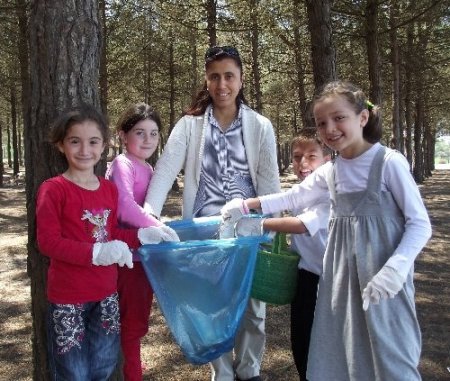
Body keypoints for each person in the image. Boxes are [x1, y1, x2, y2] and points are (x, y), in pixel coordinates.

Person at [221, 81, 432, 381]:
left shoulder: (389, 163)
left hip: (383, 278)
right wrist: (245, 206)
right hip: (341, 278)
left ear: (362, 118)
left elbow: (420, 223)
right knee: (340, 349)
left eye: (339, 118)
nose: (330, 128)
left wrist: (396, 269)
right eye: (322, 123)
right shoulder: (331, 171)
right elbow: (293, 197)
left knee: (390, 351)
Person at [143, 45, 281, 381]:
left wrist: (268, 228)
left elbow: (269, 181)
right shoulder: (189, 125)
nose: (222, 84)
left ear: (241, 79)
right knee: (212, 307)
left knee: (252, 311)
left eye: (229, 76)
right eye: (215, 77)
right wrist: (148, 217)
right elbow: (164, 171)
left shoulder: (259, 126)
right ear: (206, 81)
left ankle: (249, 372)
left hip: (247, 235)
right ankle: (222, 374)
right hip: (205, 236)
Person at [36, 104, 173, 380]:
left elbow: (112, 235)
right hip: (67, 298)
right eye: (75, 141)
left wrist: (141, 235)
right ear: (62, 145)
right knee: (73, 372)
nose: (84, 149)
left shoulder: (108, 189)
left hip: (106, 294)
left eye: (93, 141)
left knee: (103, 366)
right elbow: (48, 242)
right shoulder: (53, 189)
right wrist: (97, 252)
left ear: (103, 146)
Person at [235, 133, 331, 380]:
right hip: (303, 275)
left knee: (322, 343)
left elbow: (302, 224)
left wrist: (261, 224)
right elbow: (285, 198)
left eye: (312, 157)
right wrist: (245, 205)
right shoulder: (302, 190)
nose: (303, 163)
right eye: (297, 157)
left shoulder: (331, 194)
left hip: (326, 281)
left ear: (328, 160)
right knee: (300, 339)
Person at [105, 103, 179, 380]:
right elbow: (124, 207)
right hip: (127, 257)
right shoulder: (122, 165)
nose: (148, 140)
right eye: (140, 132)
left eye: (154, 133)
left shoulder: (147, 167)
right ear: (123, 135)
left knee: (137, 318)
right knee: (131, 322)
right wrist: (158, 227)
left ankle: (131, 363)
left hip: (143, 256)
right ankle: (132, 371)